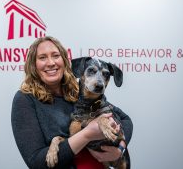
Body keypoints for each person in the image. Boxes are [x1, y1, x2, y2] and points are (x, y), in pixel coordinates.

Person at [11, 36, 133, 169]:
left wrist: (119, 149)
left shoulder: (79, 91)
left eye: (55, 55)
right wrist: (87, 134)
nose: (51, 62)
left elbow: (125, 120)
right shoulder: (25, 99)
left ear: (64, 60)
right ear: (33, 64)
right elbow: (36, 163)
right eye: (42, 57)